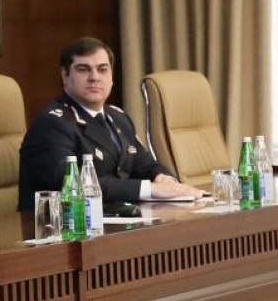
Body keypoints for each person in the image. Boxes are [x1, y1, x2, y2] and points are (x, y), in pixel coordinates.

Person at [17, 37, 202, 211]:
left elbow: (143, 163)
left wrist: (164, 179)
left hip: (115, 219)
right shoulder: (51, 123)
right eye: (83, 69)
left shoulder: (118, 117)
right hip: (63, 226)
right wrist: (149, 189)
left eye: (102, 69)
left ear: (112, 76)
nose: (94, 77)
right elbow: (72, 184)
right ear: (65, 76)